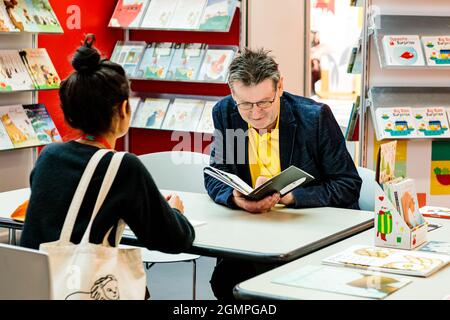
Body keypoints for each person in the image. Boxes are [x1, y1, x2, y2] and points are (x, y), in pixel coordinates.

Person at [20, 35, 195, 284]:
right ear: (124, 108)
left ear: (70, 113)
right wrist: (175, 212)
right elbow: (174, 240)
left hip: (37, 288)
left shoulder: (48, 156)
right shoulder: (123, 166)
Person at [204, 48, 362, 300]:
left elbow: (348, 185)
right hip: (251, 232)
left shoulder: (314, 118)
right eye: (245, 104)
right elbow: (217, 174)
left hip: (309, 234)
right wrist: (236, 197)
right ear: (233, 94)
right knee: (226, 283)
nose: (255, 114)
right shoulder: (226, 113)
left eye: (265, 102)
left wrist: (289, 197)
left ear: (280, 88)